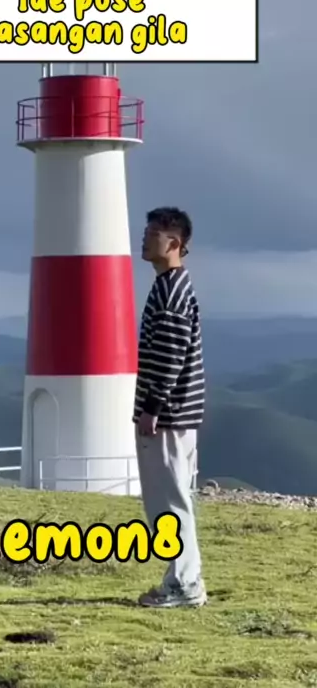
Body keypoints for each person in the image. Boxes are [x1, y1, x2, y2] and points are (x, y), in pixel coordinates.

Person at [133, 206, 206, 608]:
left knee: (169, 501)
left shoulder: (171, 293)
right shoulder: (170, 286)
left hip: (169, 414)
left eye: (153, 234)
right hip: (176, 412)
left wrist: (152, 407)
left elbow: (170, 355)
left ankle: (183, 583)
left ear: (174, 243)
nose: (144, 240)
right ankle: (183, 579)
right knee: (172, 498)